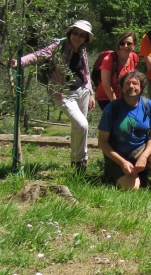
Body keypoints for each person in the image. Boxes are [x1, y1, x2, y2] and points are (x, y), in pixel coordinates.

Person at [14, 20, 96, 169]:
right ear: (70, 33)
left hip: (82, 92)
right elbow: (38, 55)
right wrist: (19, 62)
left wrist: (91, 92)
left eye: (82, 35)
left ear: (86, 38)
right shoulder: (59, 46)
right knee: (82, 125)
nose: (78, 37)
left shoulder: (82, 50)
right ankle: (79, 159)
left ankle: (79, 162)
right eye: (75, 33)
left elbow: (86, 72)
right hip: (63, 93)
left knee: (78, 128)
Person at [98, 70, 151, 190]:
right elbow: (102, 142)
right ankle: (114, 173)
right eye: (127, 83)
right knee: (133, 188)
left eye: (135, 83)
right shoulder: (112, 108)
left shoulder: (149, 106)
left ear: (141, 87)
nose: (131, 86)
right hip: (118, 155)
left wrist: (144, 157)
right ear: (121, 87)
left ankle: (139, 169)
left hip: (139, 151)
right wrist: (122, 162)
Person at [96, 31, 140, 111]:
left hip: (125, 96)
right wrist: (116, 104)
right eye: (122, 43)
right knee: (116, 117)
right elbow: (106, 85)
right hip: (106, 97)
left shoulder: (135, 58)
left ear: (134, 45)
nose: (125, 46)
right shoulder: (109, 59)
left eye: (129, 43)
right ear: (119, 45)